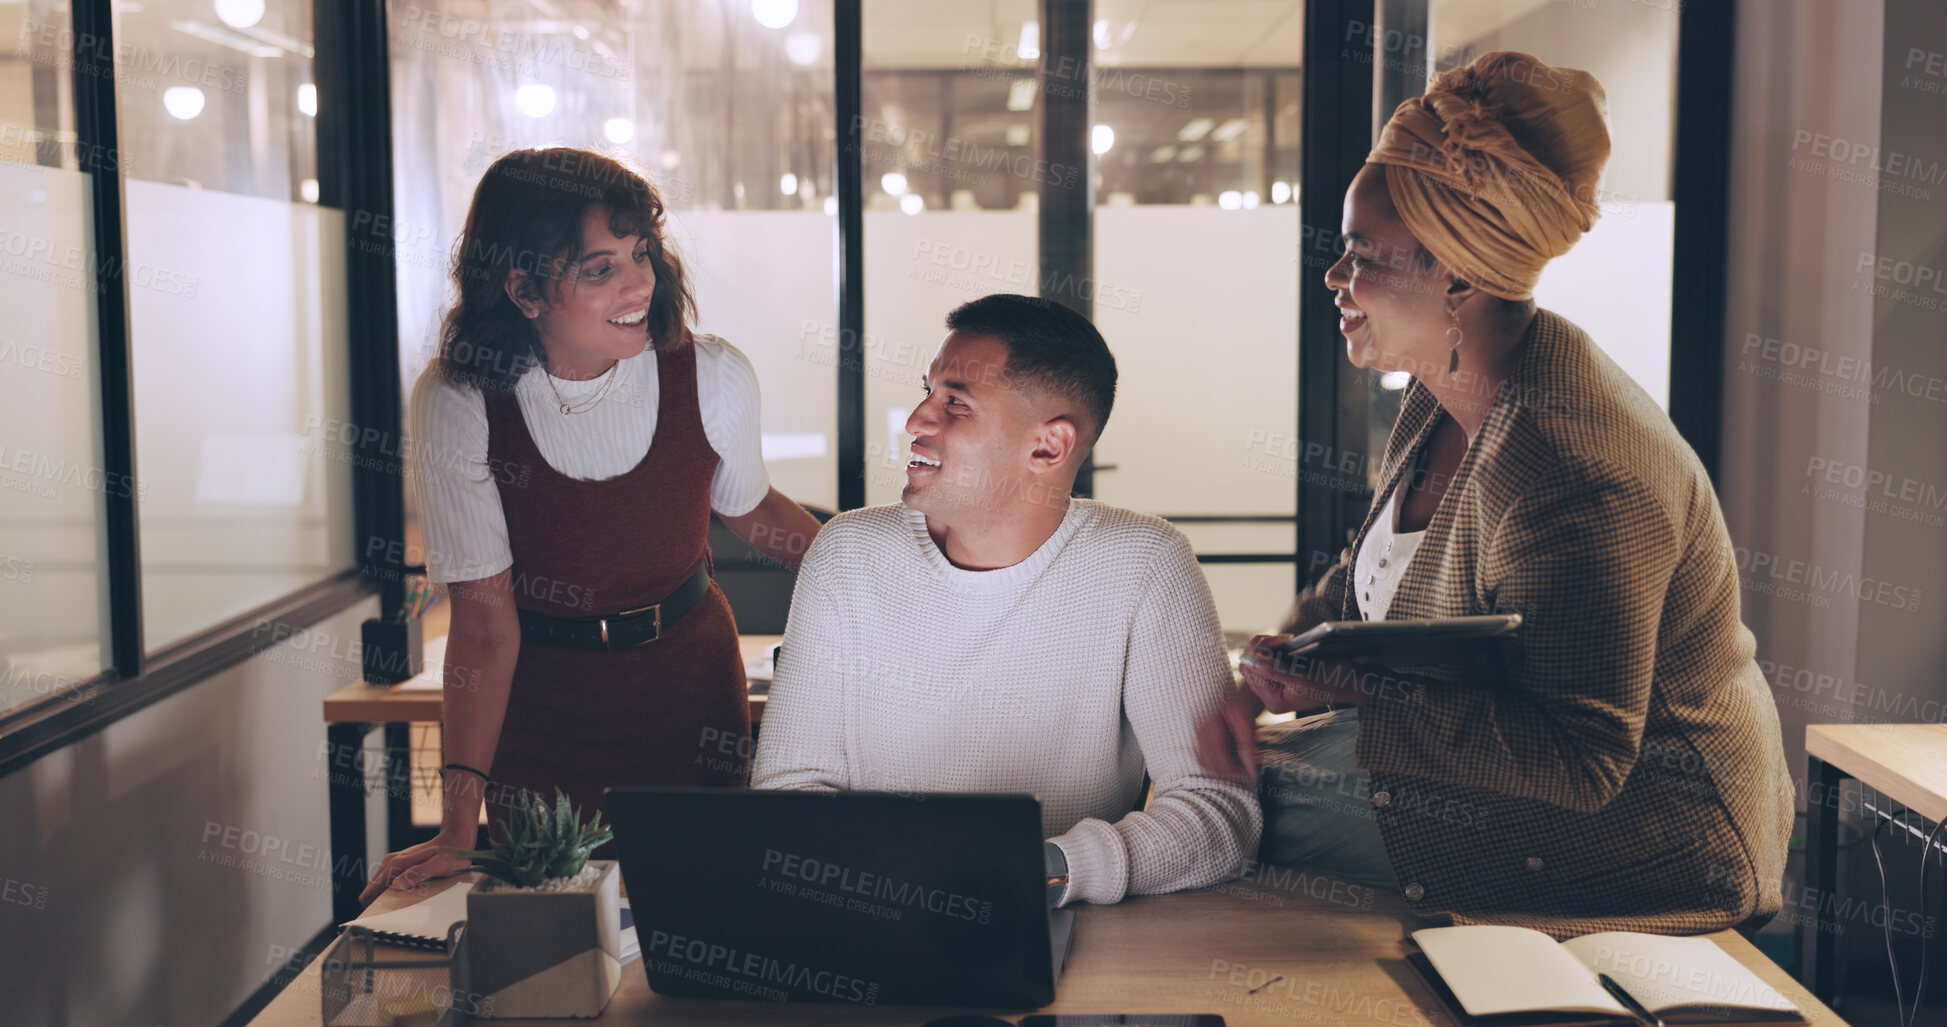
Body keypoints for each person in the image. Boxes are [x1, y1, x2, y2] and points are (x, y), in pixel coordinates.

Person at [1197, 52, 1794, 937]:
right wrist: (1267, 671)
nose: (1335, 279)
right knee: (1194, 781)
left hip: (1650, 831)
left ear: (1458, 277)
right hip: (1496, 779)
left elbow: (1580, 757)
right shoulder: (1444, 390)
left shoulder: (1578, 472)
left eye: (1360, 255)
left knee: (1210, 821)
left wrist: (1353, 693)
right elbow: (1366, 576)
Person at [362, 148, 823, 902]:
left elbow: (753, 510)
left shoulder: (712, 373)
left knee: (705, 917)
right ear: (522, 289)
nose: (639, 282)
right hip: (541, 712)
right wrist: (456, 829)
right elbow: (484, 626)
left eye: (641, 252)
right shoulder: (462, 398)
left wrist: (887, 563)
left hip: (689, 691)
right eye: (598, 268)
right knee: (555, 949)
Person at [751, 294, 1259, 907]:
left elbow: (1219, 812)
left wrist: (1047, 870)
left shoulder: (1144, 564)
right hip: (869, 920)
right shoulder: (848, 553)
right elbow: (788, 790)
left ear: (1047, 448)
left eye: (954, 403)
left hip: (1067, 928)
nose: (916, 419)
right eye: (927, 392)